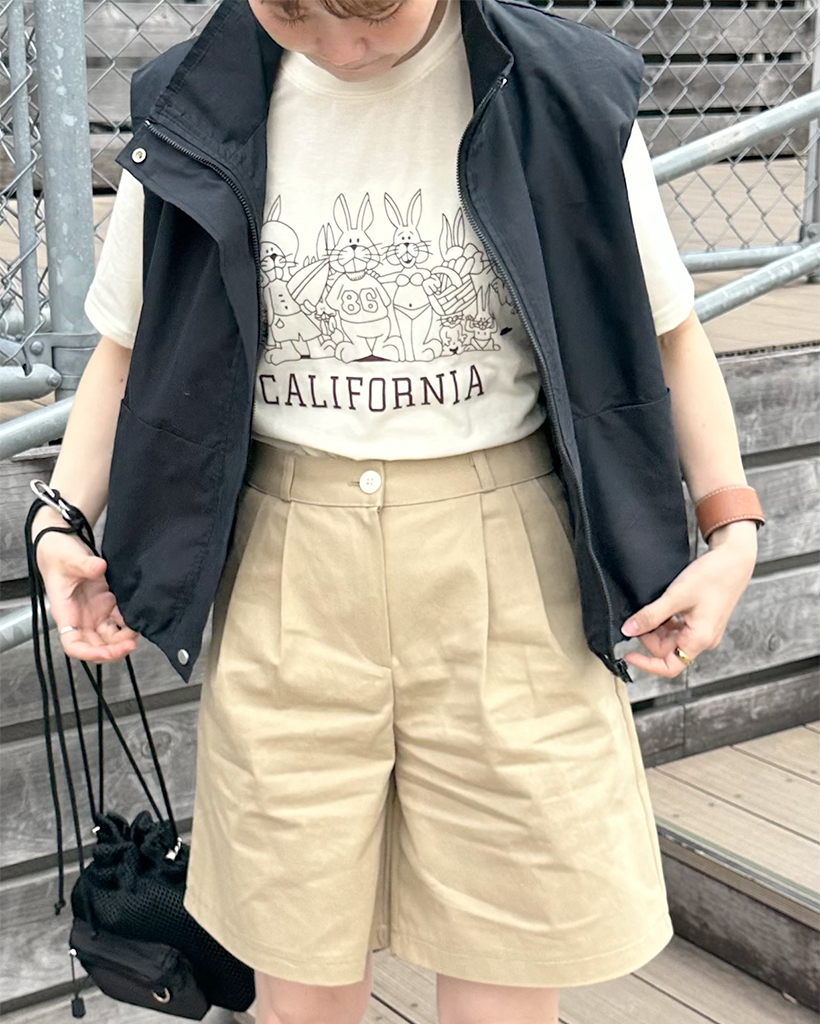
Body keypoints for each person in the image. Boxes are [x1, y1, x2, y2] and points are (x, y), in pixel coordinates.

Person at [31, 1, 764, 1023]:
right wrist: (60, 520)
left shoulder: (558, 93)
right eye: (295, 12)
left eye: (376, 10)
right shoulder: (197, 104)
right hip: (288, 565)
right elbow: (126, 348)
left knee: (506, 975)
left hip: (511, 569)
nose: (343, 47)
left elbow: (669, 330)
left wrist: (732, 530)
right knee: (299, 986)